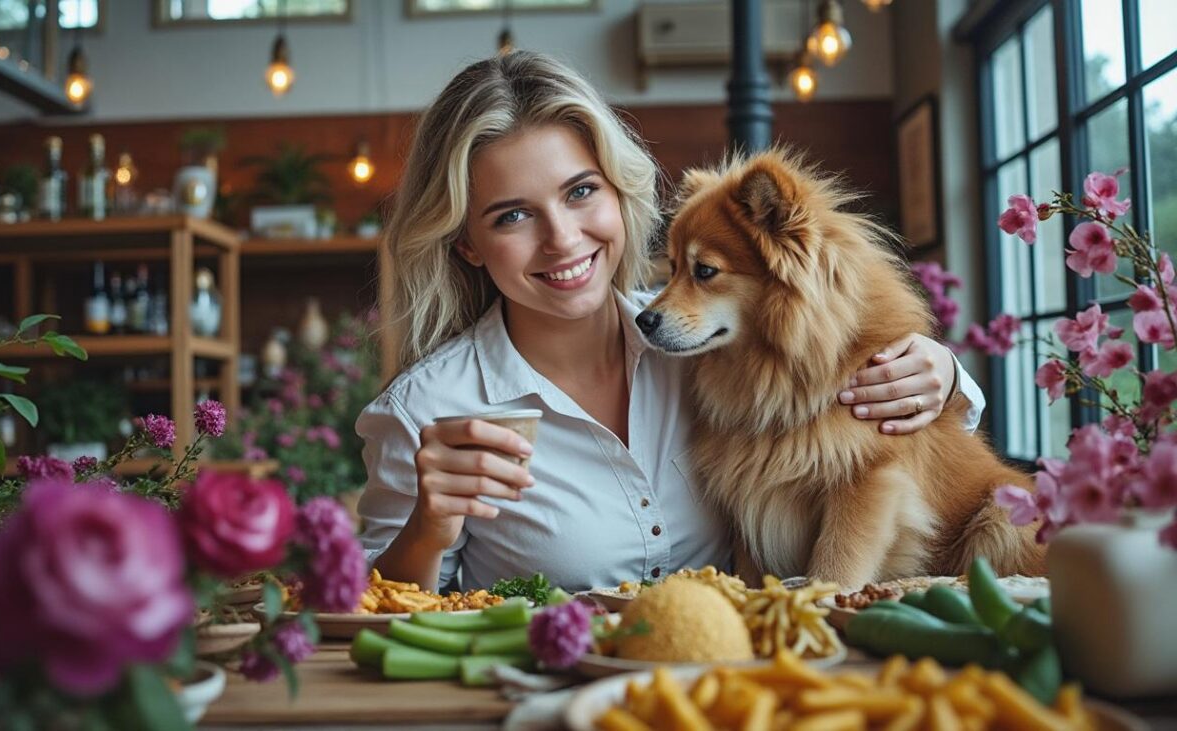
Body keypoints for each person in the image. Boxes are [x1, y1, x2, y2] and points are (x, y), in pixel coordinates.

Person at [356, 52, 986, 594]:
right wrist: (426, 528)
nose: (563, 239)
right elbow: (367, 613)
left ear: (618, 193)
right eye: (512, 217)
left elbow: (852, 423)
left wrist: (945, 375)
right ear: (466, 243)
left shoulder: (710, 349)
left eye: (580, 192)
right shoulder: (428, 409)